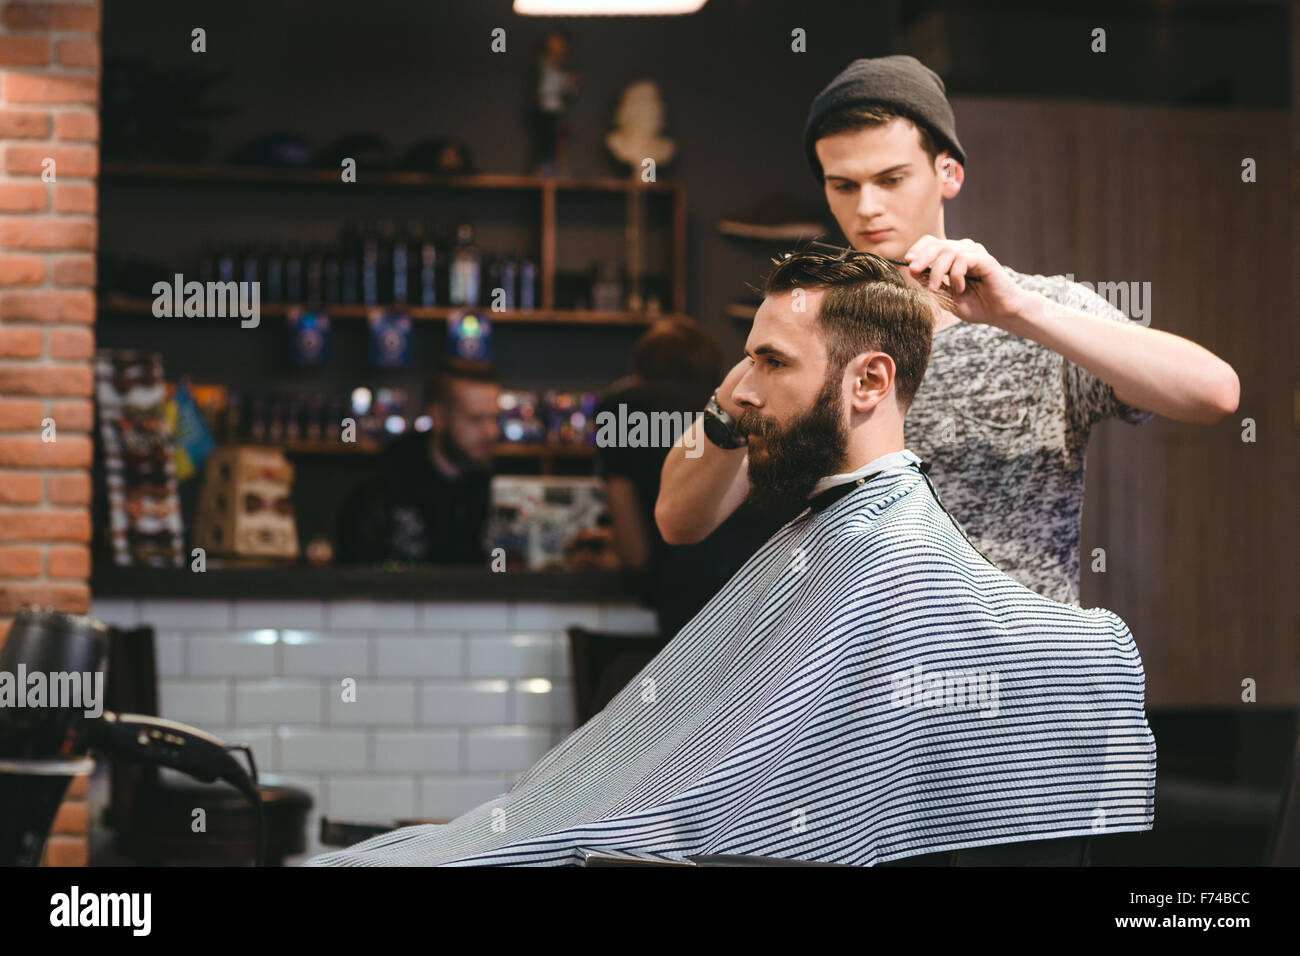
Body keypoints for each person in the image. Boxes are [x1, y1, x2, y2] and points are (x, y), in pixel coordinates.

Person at [306, 250, 1155, 867]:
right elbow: (681, 516)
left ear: (867, 383)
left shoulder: (887, 556)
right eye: (744, 358)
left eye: (770, 363)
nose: (737, 391)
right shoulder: (831, 526)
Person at [656, 54, 1240, 606]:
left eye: (891, 178)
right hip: (865, 674)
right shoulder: (806, 336)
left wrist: (1022, 314)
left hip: (1014, 676)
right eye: (844, 185)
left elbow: (1215, 393)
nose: (867, 208)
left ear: (948, 173)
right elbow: (679, 521)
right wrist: (756, 377)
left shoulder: (1039, 312)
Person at [595, 317, 793, 638]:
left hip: (684, 590)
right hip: (768, 586)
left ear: (641, 367)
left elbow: (634, 552)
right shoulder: (740, 402)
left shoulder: (621, 408)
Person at [336, 359, 499, 565]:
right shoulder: (383, 485)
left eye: (494, 418)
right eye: (476, 419)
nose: (491, 432)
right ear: (438, 416)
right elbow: (355, 577)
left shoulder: (501, 486)